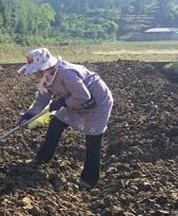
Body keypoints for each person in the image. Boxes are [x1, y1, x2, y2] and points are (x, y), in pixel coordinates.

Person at [17, 47, 114, 190]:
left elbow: (83, 96)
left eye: (37, 70)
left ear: (47, 66)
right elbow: (42, 99)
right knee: (56, 122)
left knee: (93, 138)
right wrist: (29, 115)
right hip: (74, 100)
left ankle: (89, 179)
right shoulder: (47, 77)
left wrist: (62, 102)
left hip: (97, 103)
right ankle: (42, 158)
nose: (36, 73)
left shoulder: (66, 73)